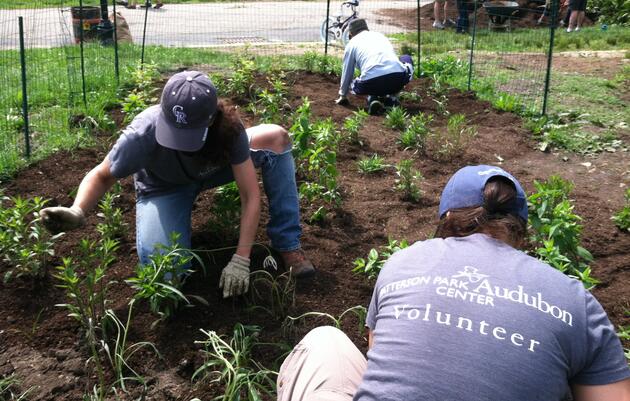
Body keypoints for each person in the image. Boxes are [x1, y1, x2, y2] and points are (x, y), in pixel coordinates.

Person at [276, 165, 630, 401]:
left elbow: (380, 355)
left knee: (325, 340)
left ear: (446, 218)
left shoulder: (404, 261)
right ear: (521, 229)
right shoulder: (575, 300)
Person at [40, 71, 315, 299]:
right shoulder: (143, 133)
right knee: (167, 275)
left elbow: (249, 194)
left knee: (277, 139)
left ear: (211, 119)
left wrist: (242, 258)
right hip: (164, 187)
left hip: (212, 170)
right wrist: (78, 210)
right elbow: (102, 174)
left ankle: (287, 242)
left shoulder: (229, 128)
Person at [334, 19, 414, 116]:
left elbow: (347, 72)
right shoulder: (380, 36)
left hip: (370, 83)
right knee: (406, 58)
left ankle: (372, 98)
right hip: (397, 78)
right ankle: (391, 99)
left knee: (359, 79)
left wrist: (343, 95)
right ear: (366, 29)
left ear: (350, 34)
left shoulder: (351, 44)